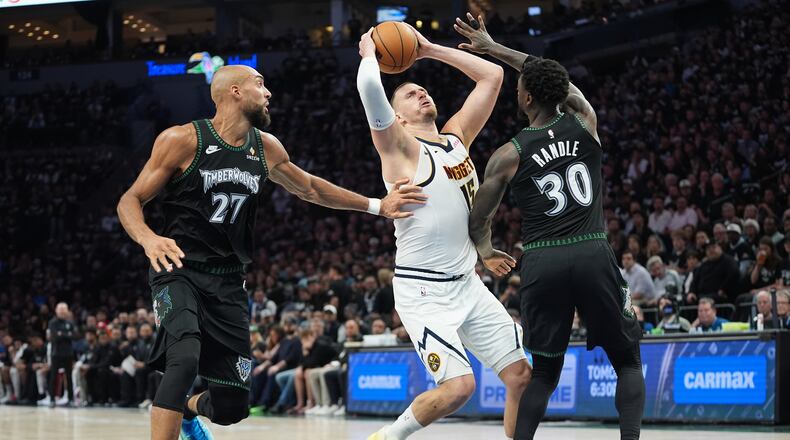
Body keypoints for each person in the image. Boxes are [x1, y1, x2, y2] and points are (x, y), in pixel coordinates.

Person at [116, 64, 425, 440]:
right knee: (183, 360)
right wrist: (149, 239)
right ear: (233, 92)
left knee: (232, 408)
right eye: (260, 85)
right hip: (179, 268)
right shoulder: (183, 139)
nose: (269, 93)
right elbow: (130, 199)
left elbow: (309, 187)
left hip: (229, 282)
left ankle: (186, 408)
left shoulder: (266, 147)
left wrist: (378, 205)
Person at [458, 12, 645, 440]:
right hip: (591, 250)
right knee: (628, 362)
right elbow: (553, 79)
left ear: (524, 99)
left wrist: (485, 251)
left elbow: (478, 219)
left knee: (543, 373)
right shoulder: (584, 121)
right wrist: (498, 50)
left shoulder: (508, 154)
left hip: (542, 261)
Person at [356, 23, 531, 440]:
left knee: (523, 375)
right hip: (424, 291)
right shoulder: (397, 147)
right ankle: (388, 437)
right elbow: (369, 92)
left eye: (423, 90)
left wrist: (428, 49)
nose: (422, 93)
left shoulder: (456, 139)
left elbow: (493, 76)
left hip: (467, 284)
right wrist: (369, 55)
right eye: (410, 93)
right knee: (459, 387)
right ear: (397, 115)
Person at [47, 302, 76, 407]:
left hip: (68, 353)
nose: (63, 312)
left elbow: (74, 336)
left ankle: (71, 399)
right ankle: (52, 399)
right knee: (53, 376)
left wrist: (62, 334)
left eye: (64, 310)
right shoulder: (52, 323)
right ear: (56, 311)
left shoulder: (70, 322)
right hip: (56, 353)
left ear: (67, 311)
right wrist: (66, 334)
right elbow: (55, 336)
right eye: (61, 310)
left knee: (69, 377)